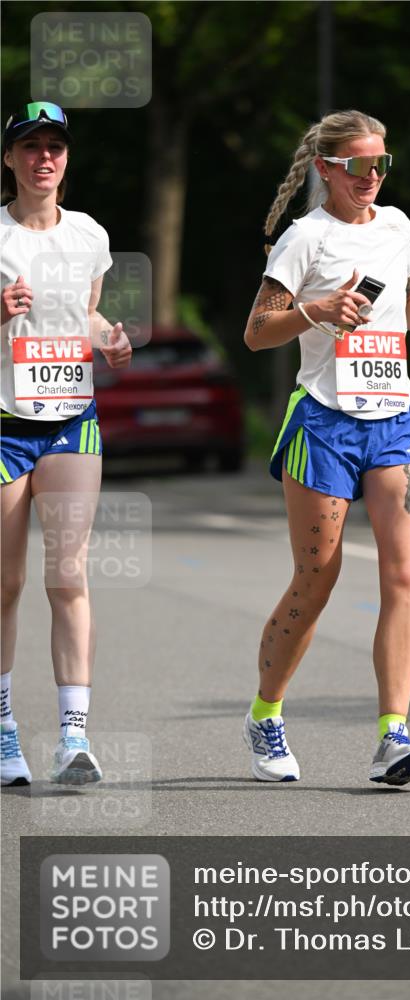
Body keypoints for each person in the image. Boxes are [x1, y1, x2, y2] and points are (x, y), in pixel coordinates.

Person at [241, 110, 410, 785]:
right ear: (325, 169)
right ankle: (265, 714)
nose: (370, 177)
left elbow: (402, 303)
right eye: (356, 166)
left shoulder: (397, 227)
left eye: (381, 165)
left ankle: (393, 737)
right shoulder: (303, 239)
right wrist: (316, 311)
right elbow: (258, 332)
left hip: (396, 420)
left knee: (404, 575)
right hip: (323, 424)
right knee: (316, 581)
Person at [0, 102, 132, 786]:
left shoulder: (89, 235)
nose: (43, 158)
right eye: (30, 148)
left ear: (67, 159)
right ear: (10, 159)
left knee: (68, 573)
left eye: (54, 147)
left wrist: (107, 335)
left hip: (71, 418)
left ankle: (74, 739)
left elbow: (83, 311)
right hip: (4, 421)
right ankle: (2, 733)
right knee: (6, 580)